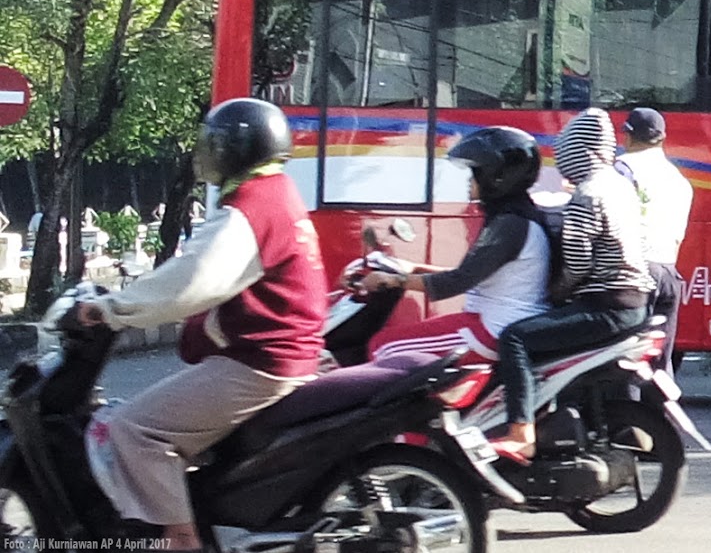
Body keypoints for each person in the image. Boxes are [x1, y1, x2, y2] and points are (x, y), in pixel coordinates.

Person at [80, 98, 327, 551]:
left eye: (210, 145)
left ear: (235, 150)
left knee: (132, 428)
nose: (201, 154)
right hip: (276, 356)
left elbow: (190, 282)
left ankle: (180, 539)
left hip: (260, 364)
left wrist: (114, 308)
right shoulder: (276, 194)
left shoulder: (248, 209)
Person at [492, 108, 655, 460]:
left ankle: (521, 432)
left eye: (563, 151)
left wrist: (554, 293)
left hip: (606, 306)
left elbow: (578, 265)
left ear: (576, 152)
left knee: (516, 338)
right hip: (635, 302)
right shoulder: (621, 186)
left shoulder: (588, 194)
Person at [359, 126, 551, 364]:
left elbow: (458, 282)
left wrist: (395, 280)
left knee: (383, 346)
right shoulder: (513, 216)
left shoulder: (511, 223)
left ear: (496, 176)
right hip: (489, 321)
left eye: (476, 173)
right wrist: (413, 267)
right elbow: (470, 275)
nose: (470, 180)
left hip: (490, 330)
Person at [615, 107, 694, 377]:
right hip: (669, 275)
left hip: (637, 273)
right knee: (660, 365)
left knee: (627, 359)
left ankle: (627, 416)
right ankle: (662, 415)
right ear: (662, 138)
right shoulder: (679, 180)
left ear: (628, 136)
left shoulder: (624, 169)